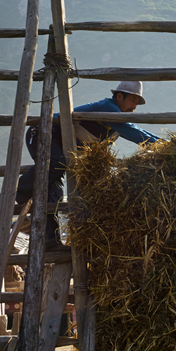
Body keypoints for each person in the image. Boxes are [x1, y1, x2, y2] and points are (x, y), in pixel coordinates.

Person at [14, 80, 161, 245]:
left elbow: (134, 129)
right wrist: (160, 145)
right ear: (119, 96)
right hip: (42, 132)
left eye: (137, 102)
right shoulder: (109, 108)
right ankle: (19, 191)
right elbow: (133, 132)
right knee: (58, 164)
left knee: (54, 192)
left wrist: (161, 142)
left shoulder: (115, 122)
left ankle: (51, 242)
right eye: (133, 100)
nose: (134, 106)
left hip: (56, 143)